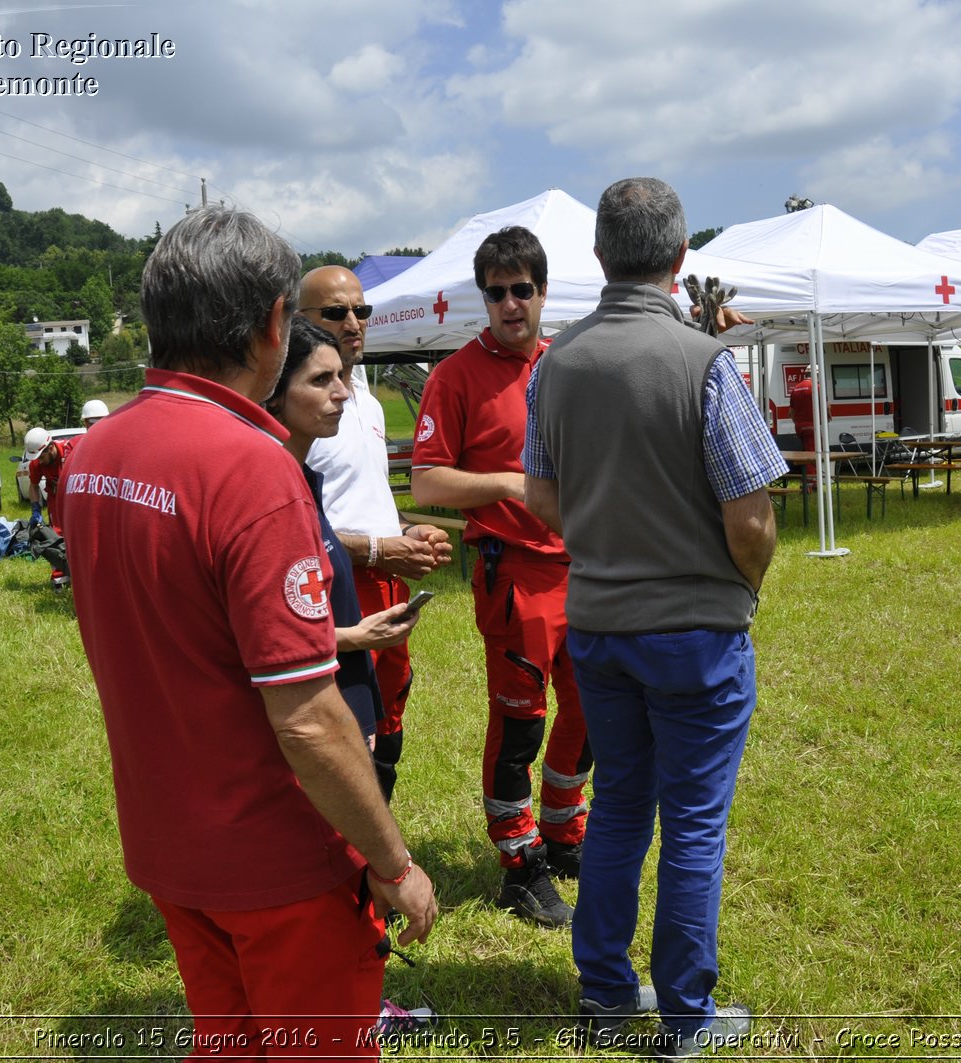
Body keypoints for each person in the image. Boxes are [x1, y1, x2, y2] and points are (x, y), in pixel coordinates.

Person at [62, 206, 436, 1059]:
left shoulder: (94, 454)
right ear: (275, 322)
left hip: (168, 838)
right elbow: (305, 717)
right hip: (279, 858)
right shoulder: (253, 466)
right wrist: (393, 860)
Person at [523, 177, 789, 1058]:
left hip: (597, 623)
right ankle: (685, 1017)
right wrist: (739, 589)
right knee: (694, 825)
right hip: (697, 629)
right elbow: (751, 520)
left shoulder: (555, 363)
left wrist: (606, 541)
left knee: (621, 807)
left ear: (598, 256)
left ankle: (605, 993)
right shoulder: (704, 361)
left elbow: (542, 494)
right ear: (681, 260)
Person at [410, 226, 588, 928]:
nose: (511, 303)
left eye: (523, 288)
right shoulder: (455, 376)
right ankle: (518, 863)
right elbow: (426, 482)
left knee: (593, 706)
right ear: (482, 298)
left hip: (587, 568)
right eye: (497, 292)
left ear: (543, 291)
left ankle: (564, 831)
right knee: (522, 722)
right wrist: (508, 484)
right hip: (513, 572)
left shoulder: (566, 365)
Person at [298, 266, 451, 801]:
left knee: (388, 717)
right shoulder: (298, 407)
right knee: (344, 728)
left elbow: (365, 498)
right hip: (339, 590)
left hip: (387, 586)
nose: (354, 322)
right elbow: (297, 527)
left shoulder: (360, 394)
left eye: (361, 311)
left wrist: (410, 529)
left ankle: (377, 847)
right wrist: (384, 547)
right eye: (336, 312)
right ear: (301, 321)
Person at [264, 316, 419, 746]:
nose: (342, 392)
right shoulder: (270, 490)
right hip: (315, 709)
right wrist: (356, 638)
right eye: (320, 380)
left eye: (340, 377)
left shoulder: (304, 476)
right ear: (274, 392)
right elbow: (268, 634)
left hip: (345, 689)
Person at [25, 427, 79, 590]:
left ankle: (80, 573)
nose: (39, 461)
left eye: (42, 457)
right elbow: (33, 486)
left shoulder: (70, 453)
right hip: (55, 499)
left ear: (51, 448)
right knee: (55, 535)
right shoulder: (36, 461)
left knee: (77, 536)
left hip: (75, 499)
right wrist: (35, 509)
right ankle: (60, 575)